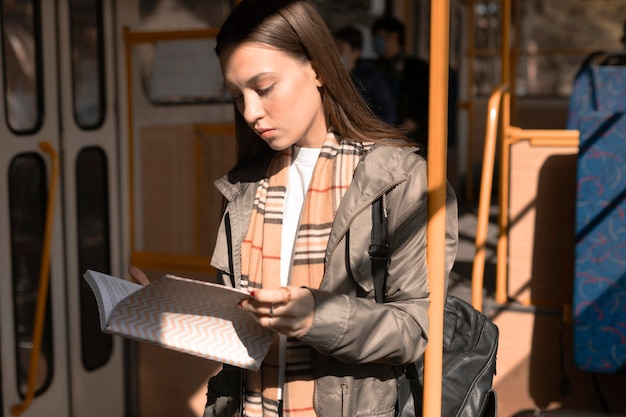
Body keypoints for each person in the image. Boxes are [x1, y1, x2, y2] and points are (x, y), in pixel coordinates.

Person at [132, 1, 458, 416]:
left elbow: (415, 329)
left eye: (264, 88)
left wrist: (314, 316)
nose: (250, 112)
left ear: (317, 68)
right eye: (237, 96)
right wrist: (167, 313)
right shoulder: (243, 188)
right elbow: (245, 322)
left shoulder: (398, 179)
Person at [371, 16, 430, 147]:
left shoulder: (417, 68)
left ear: (395, 36)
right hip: (380, 134)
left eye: (380, 36)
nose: (376, 41)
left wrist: (417, 123)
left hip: (411, 137)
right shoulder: (372, 68)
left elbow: (429, 100)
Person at [334, 25, 397, 125]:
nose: (337, 54)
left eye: (341, 49)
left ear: (357, 52)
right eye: (334, 48)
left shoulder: (371, 78)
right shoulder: (332, 75)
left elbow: (387, 114)